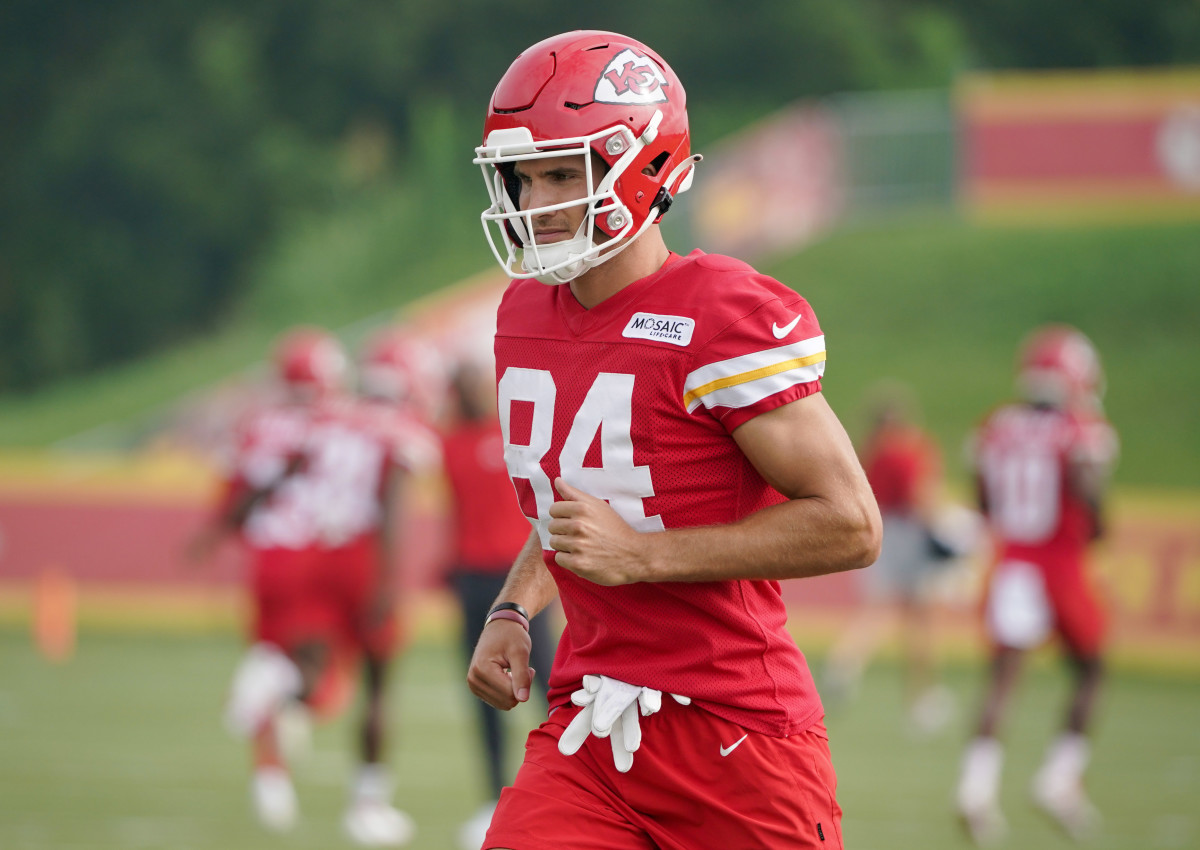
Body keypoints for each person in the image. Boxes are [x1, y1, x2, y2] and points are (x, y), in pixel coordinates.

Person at [465, 31, 882, 850]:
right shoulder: (522, 316)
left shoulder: (720, 314)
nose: (536, 200)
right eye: (524, 176)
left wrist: (644, 558)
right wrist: (517, 606)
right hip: (592, 730)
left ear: (646, 166)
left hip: (739, 738)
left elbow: (851, 522)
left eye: (562, 173)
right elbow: (580, 497)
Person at [955, 324, 1118, 845]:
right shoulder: (1081, 429)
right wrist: (1097, 525)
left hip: (1012, 559)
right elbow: (1087, 494)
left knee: (1003, 676)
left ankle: (974, 790)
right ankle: (1059, 777)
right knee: (1092, 668)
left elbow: (982, 500)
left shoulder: (995, 426)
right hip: (1059, 561)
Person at [186, 326, 350, 834]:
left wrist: (214, 533)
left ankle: (270, 771)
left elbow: (235, 495)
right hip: (319, 559)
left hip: (270, 562)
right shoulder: (343, 425)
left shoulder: (259, 427)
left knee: (290, 663)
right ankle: (263, 693)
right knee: (328, 680)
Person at [440, 355, 558, 850]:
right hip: (470, 577)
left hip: (521, 583)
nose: (468, 393)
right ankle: (492, 796)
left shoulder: (512, 436)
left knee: (552, 684)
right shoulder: (445, 443)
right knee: (483, 688)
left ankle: (564, 788)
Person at [823, 383, 974, 735]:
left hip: (880, 529)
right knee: (921, 618)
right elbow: (921, 497)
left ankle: (844, 663)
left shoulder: (870, 451)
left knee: (879, 608)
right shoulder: (911, 449)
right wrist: (943, 537)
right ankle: (922, 697)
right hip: (909, 531)